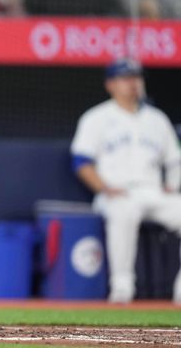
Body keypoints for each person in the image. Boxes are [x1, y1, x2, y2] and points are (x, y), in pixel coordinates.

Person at [71, 59, 181, 304]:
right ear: (110, 84)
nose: (132, 83)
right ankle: (122, 288)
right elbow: (81, 162)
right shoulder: (96, 117)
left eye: (136, 77)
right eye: (125, 78)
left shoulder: (157, 118)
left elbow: (175, 160)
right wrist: (104, 187)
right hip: (116, 192)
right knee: (124, 212)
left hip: (153, 191)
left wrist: (172, 186)